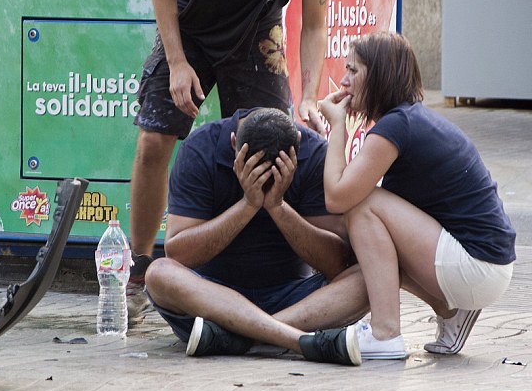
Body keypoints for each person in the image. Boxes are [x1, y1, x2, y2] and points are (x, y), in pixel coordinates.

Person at [127, 0, 334, 322]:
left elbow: (314, 20)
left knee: (269, 141)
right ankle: (139, 272)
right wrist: (177, 64)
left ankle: (262, 271)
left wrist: (310, 93)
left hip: (258, 28)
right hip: (192, 19)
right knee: (155, 141)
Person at [318, 33, 516, 361]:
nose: (343, 81)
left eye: (353, 71)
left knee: (362, 206)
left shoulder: (395, 127)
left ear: (379, 75)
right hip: (487, 266)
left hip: (479, 267)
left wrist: (336, 126)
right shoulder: (407, 119)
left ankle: (385, 334)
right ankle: (451, 313)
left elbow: (337, 198)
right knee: (370, 233)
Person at [143, 108, 368, 366]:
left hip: (294, 302)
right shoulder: (200, 149)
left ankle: (242, 337)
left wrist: (278, 207)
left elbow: (337, 263)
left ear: (297, 143)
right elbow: (179, 254)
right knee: (159, 273)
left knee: (373, 274)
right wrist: (248, 205)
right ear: (233, 143)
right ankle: (295, 340)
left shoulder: (314, 153)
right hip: (211, 301)